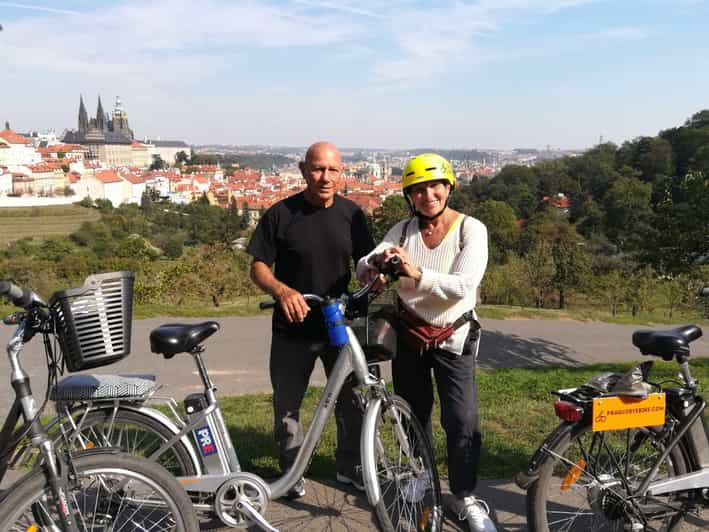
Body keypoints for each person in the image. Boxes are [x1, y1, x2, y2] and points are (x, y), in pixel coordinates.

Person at [356, 153, 495, 532]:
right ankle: (420, 476)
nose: (427, 195)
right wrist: (375, 266)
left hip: (454, 337)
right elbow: (365, 263)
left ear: (449, 187)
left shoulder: (471, 230)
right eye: (418, 190)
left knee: (462, 420)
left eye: (435, 186)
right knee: (412, 415)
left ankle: (464, 496)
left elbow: (463, 286)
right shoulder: (402, 232)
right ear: (409, 196)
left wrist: (415, 272)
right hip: (410, 336)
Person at [247, 141, 374, 499]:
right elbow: (258, 267)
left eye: (333, 170)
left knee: (352, 401)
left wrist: (372, 278)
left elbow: (365, 262)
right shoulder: (280, 214)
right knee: (288, 403)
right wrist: (282, 291)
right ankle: (292, 470)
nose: (325, 177)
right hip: (292, 326)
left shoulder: (353, 214)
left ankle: (348, 467)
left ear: (342, 172)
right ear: (303, 170)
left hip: (339, 325)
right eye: (318, 169)